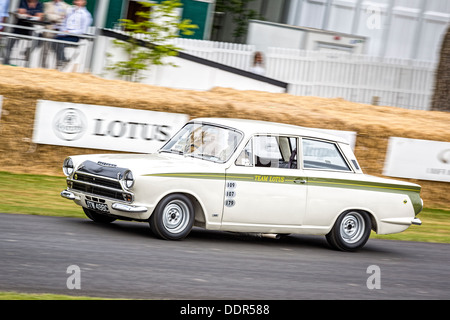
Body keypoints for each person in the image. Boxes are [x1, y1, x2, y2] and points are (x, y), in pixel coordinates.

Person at [3, 0, 43, 65]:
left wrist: (27, 15)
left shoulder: (39, 4)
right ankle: (6, 60)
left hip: (30, 28)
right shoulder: (22, 1)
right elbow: (21, 12)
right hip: (18, 27)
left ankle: (28, 52)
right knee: (10, 44)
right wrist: (33, 16)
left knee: (40, 37)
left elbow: (40, 16)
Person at [54, 0, 92, 66]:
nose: (77, 3)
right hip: (65, 34)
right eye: (76, 1)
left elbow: (83, 30)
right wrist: (63, 30)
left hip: (75, 36)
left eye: (80, 1)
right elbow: (64, 22)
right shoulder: (70, 11)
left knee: (59, 42)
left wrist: (70, 32)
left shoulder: (86, 14)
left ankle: (62, 61)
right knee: (53, 40)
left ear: (84, 2)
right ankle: (62, 60)